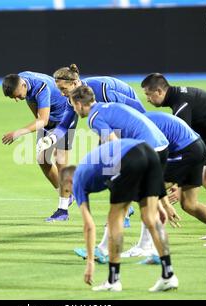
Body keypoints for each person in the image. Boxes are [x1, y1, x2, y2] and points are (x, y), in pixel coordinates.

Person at [141, 73, 206, 255]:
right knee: (192, 199)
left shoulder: (181, 106)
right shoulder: (178, 98)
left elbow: (186, 142)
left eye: (149, 95)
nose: (148, 100)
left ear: (159, 91)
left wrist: (180, 179)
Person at [60, 138, 178, 292]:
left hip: (128, 157)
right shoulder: (94, 167)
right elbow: (129, 182)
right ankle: (168, 275)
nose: (71, 194)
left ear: (69, 180)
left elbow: (89, 226)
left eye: (68, 190)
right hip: (150, 152)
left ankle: (113, 280)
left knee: (115, 219)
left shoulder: (78, 180)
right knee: (151, 217)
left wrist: (90, 261)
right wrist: (159, 200)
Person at [36, 64, 146, 222]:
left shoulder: (101, 90)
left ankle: (126, 210)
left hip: (127, 120)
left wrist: (147, 123)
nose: (61, 94)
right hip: (109, 124)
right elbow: (64, 124)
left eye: (63, 89)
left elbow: (134, 106)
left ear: (74, 83)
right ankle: (126, 207)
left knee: (111, 165)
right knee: (107, 165)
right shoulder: (74, 98)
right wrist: (50, 140)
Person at [2, 71, 75, 222]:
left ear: (22, 85)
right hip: (47, 119)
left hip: (64, 118)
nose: (16, 99)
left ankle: (63, 210)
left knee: (61, 161)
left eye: (16, 95)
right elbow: (39, 117)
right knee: (42, 159)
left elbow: (42, 120)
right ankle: (68, 195)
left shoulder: (40, 87)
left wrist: (18, 133)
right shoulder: (22, 82)